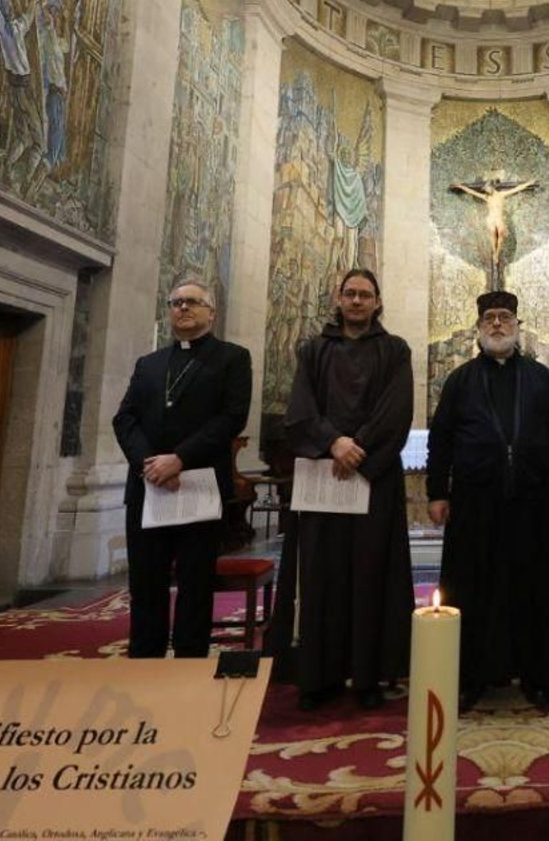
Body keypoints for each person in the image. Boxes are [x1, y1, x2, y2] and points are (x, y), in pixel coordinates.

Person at [264, 268, 415, 710]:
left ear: (377, 301)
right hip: (324, 480)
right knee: (320, 577)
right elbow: (299, 410)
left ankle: (368, 677)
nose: (356, 301)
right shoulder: (314, 350)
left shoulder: (395, 350)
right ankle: (319, 676)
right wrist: (333, 442)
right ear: (338, 298)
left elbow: (397, 409)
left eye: (365, 295)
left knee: (372, 576)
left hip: (373, 480)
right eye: (350, 294)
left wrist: (360, 448)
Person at [428, 291, 549, 711]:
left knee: (531, 587)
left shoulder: (540, 377)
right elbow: (441, 439)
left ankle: (538, 674)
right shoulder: (460, 381)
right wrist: (438, 492)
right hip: (474, 500)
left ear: (517, 325)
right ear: (478, 327)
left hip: (528, 499)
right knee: (470, 587)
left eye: (505, 317)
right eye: (489, 318)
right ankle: (470, 675)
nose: (497, 324)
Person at [112, 279, 253, 658]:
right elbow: (124, 419)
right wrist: (151, 465)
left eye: (193, 302)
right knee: (145, 583)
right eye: (176, 302)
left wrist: (180, 459)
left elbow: (231, 418)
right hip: (149, 488)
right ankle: (146, 661)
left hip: (199, 486)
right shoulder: (149, 364)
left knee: (195, 583)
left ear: (212, 312)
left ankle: (190, 664)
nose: (183, 308)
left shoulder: (232, 358)